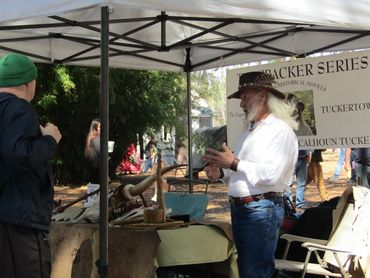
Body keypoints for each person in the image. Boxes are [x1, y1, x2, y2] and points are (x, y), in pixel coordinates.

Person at [203, 71, 298, 278]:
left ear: (262, 96)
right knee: (249, 270)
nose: (241, 103)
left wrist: (233, 163)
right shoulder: (248, 132)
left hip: (261, 210)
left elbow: (272, 175)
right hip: (244, 210)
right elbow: (239, 171)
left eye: (245, 97)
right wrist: (220, 171)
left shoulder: (280, 131)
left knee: (255, 273)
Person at [0, 53, 62, 277]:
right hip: (20, 220)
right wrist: (49, 139)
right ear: (28, 83)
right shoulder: (19, 109)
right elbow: (19, 155)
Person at [286, 95, 313, 208]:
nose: (296, 111)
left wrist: (310, 153)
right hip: (290, 159)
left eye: (298, 109)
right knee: (288, 183)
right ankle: (288, 203)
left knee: (301, 183)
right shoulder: (285, 125)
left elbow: (311, 140)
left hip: (302, 158)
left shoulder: (305, 126)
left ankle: (300, 202)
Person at [84, 118, 101, 184]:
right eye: (100, 127)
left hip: (92, 174)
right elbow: (101, 155)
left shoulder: (90, 138)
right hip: (97, 174)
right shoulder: (96, 139)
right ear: (95, 128)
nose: (102, 129)